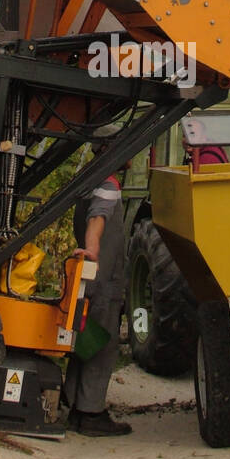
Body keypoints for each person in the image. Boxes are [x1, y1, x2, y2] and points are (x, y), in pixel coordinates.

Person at [63, 144, 133, 436]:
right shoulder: (108, 183)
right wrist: (92, 249)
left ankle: (75, 408)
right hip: (103, 279)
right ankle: (91, 414)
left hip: (89, 278)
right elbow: (98, 217)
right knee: (102, 344)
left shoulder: (88, 177)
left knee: (85, 341)